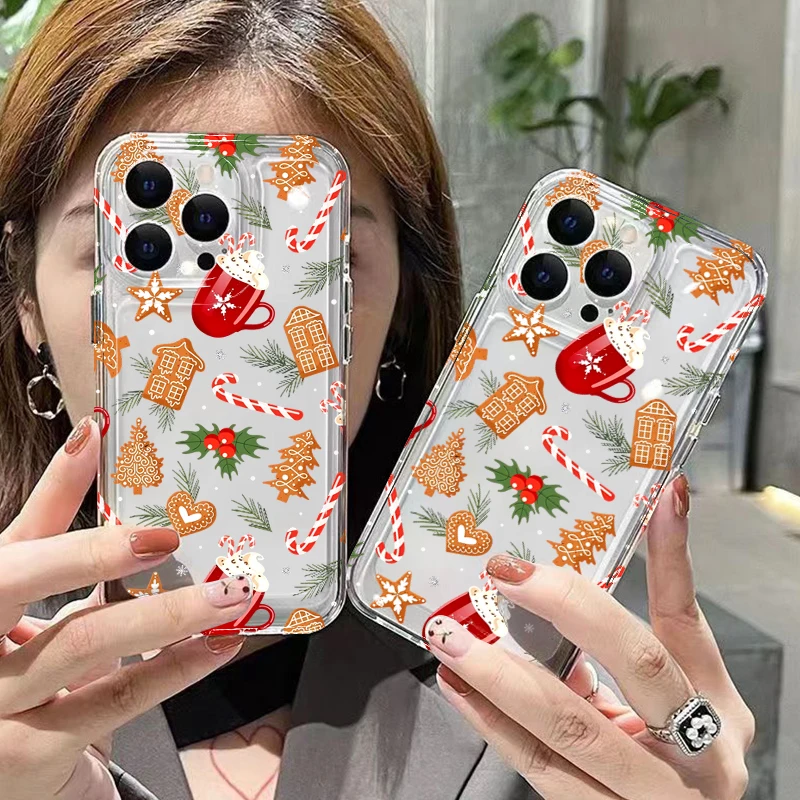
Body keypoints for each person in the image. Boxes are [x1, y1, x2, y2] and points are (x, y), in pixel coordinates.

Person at [0, 1, 756, 798]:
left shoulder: (546, 660)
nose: (239, 325)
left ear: (401, 303)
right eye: (138, 250)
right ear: (26, 301)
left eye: (317, 250)